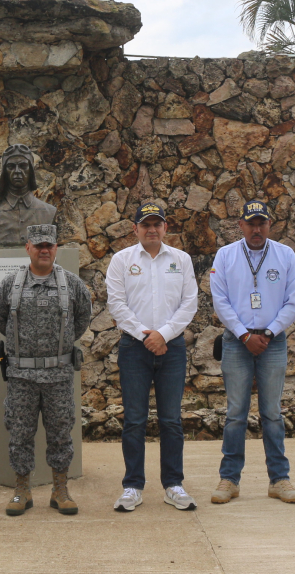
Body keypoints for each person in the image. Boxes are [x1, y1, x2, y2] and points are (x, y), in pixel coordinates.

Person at [104, 202, 199, 512]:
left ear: (165, 228)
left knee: (171, 420)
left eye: (157, 223)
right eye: (146, 224)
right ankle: (132, 486)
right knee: (134, 420)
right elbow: (116, 304)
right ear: (136, 229)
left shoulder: (181, 260)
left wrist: (164, 334)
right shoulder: (121, 260)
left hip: (171, 348)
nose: (152, 229)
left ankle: (173, 485)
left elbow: (189, 304)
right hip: (135, 347)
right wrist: (147, 334)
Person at [0, 224, 93, 516]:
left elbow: (82, 320)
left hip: (59, 376)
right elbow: (1, 319)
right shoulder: (10, 284)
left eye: (49, 245)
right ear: (28, 248)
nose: (45, 250)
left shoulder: (73, 285)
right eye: (38, 245)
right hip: (21, 377)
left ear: (56, 248)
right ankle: (21, 489)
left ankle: (60, 489)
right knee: (20, 433)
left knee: (61, 432)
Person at [209, 200, 295, 505]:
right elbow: (220, 300)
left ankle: (279, 479)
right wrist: (244, 334)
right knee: (236, 413)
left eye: (262, 223)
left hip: (272, 341)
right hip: (237, 341)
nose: (257, 229)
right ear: (241, 225)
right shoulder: (225, 256)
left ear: (270, 224)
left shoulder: (285, 255)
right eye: (251, 223)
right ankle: (229, 479)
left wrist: (269, 331)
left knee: (272, 413)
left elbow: (292, 301)